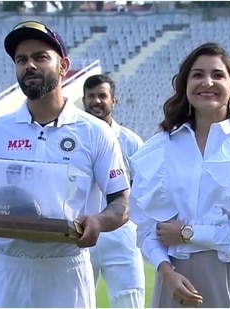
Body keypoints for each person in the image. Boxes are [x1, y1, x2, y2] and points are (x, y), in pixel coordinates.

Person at [0, 21, 131, 308]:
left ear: (63, 66)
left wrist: (98, 220)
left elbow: (121, 203)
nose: (30, 65)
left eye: (40, 57)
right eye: (21, 60)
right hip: (8, 269)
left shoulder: (95, 132)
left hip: (66, 268)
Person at [129, 42, 230, 308]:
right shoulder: (160, 147)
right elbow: (147, 225)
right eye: (197, 75)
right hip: (173, 278)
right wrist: (165, 270)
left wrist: (189, 233)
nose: (207, 82)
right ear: (185, 85)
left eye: (217, 75)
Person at [82, 74, 146, 307]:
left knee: (129, 302)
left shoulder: (131, 142)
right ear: (84, 99)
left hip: (121, 234)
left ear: (114, 101)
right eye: (91, 96)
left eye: (102, 96)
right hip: (80, 232)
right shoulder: (72, 140)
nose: (96, 101)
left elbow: (143, 193)